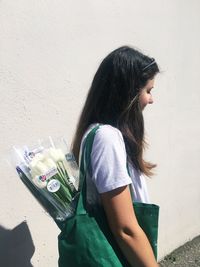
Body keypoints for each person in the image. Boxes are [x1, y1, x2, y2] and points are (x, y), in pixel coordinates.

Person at [71, 46, 160, 267]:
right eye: (148, 91)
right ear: (129, 92)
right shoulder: (107, 138)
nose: (151, 100)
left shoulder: (97, 133)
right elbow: (126, 229)